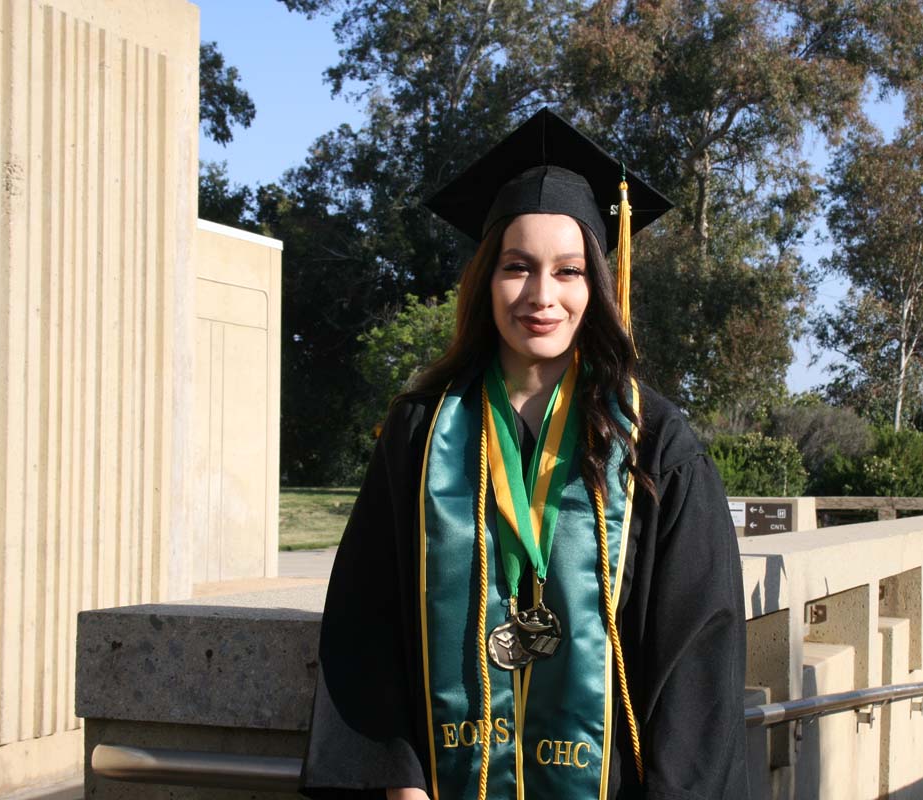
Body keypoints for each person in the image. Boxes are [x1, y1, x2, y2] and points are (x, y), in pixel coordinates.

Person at [299, 109, 749, 800]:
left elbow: (698, 654)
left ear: (597, 283)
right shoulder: (421, 434)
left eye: (568, 271)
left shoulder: (654, 441)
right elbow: (366, 620)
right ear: (486, 279)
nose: (542, 295)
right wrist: (400, 779)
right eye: (517, 267)